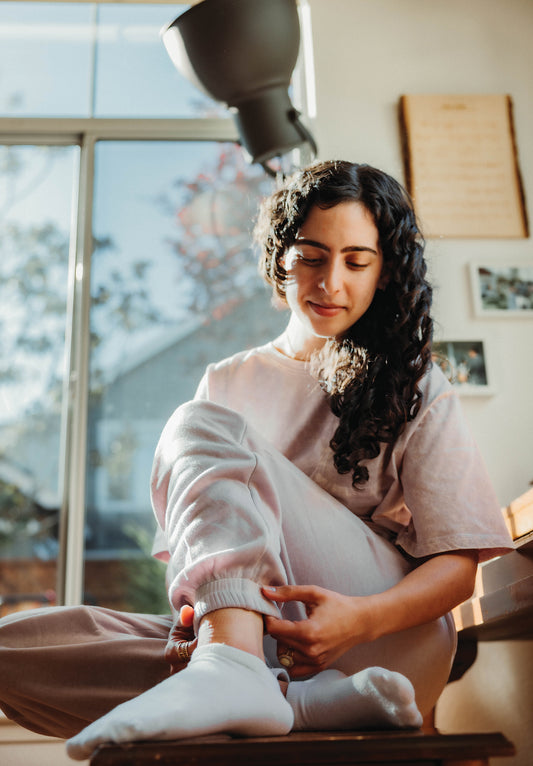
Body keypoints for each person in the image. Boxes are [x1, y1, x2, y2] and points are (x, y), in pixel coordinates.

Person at [0, 160, 513, 761]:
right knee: (19, 648)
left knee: (196, 424)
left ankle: (238, 671)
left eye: (356, 260)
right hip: (270, 645)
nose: (331, 283)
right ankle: (287, 696)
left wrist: (359, 620)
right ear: (280, 260)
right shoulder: (229, 378)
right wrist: (202, 624)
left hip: (385, 644)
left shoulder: (414, 381)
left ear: (385, 272)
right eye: (312, 256)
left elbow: (458, 565)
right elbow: (206, 559)